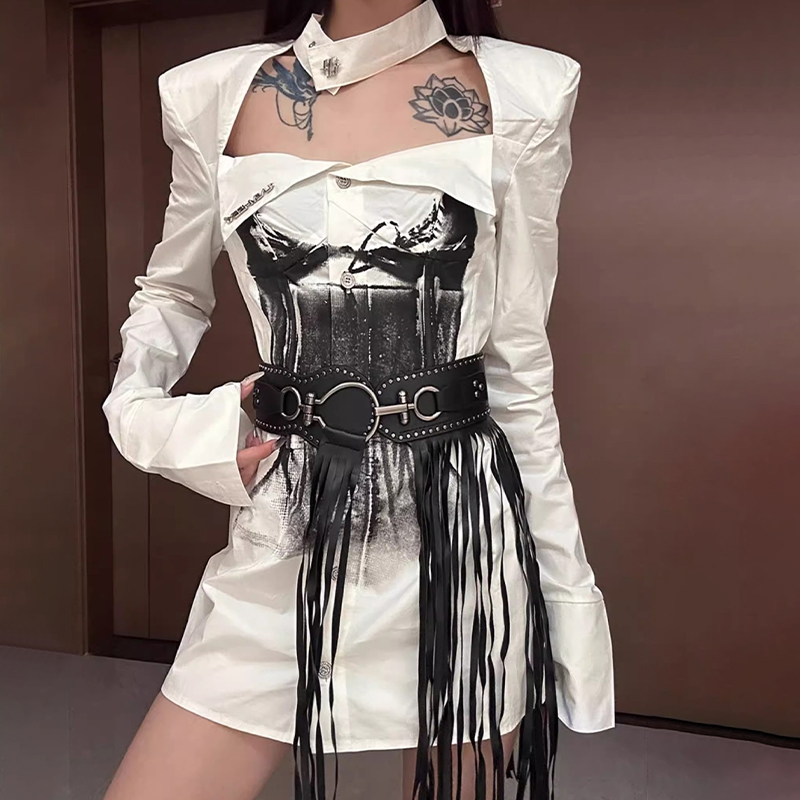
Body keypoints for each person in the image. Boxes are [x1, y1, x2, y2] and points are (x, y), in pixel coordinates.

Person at [100, 1, 614, 799]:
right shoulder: (212, 94)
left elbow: (518, 374)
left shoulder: (525, 91)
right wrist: (146, 422)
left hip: (460, 553)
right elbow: (172, 292)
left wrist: (565, 596)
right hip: (286, 538)